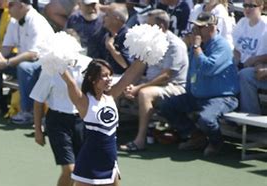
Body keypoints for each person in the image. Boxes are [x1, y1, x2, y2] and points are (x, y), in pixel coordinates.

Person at [60, 57, 145, 186]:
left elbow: (130, 75)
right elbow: (70, 82)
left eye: (109, 75)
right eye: (104, 76)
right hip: (89, 162)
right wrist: (57, 61)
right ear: (92, 79)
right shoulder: (84, 101)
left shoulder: (111, 95)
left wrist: (145, 54)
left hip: (109, 163)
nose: (108, 79)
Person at [158, 12, 239, 156]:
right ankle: (196, 136)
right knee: (166, 106)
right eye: (195, 27)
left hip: (221, 97)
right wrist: (189, 91)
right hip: (197, 96)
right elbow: (193, 71)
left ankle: (216, 143)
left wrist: (196, 46)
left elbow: (208, 68)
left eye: (200, 27)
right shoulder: (198, 46)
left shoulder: (222, 46)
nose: (195, 31)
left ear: (211, 28)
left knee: (206, 119)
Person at [31, 53, 91, 186]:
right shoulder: (50, 68)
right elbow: (38, 100)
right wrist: (38, 130)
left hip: (82, 121)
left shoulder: (88, 65)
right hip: (57, 121)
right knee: (69, 170)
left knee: (81, 172)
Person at [0, 0, 54, 124]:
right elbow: (7, 47)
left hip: (44, 65)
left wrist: (7, 62)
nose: (7, 7)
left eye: (11, 4)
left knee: (24, 67)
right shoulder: (14, 20)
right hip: (24, 60)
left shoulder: (36, 21)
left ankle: (28, 112)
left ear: (21, 5)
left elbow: (33, 54)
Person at [119, 9, 188, 153]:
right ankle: (104, 133)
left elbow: (166, 76)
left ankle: (140, 140)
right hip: (152, 83)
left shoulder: (175, 45)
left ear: (161, 27)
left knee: (144, 93)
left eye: (150, 25)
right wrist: (130, 85)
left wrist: (138, 88)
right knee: (118, 86)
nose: (146, 28)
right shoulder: (150, 42)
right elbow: (138, 68)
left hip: (174, 86)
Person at [98, 4, 132, 76]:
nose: (103, 17)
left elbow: (125, 65)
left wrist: (111, 48)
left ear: (116, 19)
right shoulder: (107, 35)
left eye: (107, 15)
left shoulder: (127, 36)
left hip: (122, 77)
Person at [232, 0, 267, 69]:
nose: (247, 8)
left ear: (261, 7)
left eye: (251, 6)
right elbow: (236, 49)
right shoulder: (242, 22)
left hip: (256, 66)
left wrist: (255, 59)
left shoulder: (265, 26)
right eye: (245, 5)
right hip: (239, 63)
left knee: (244, 74)